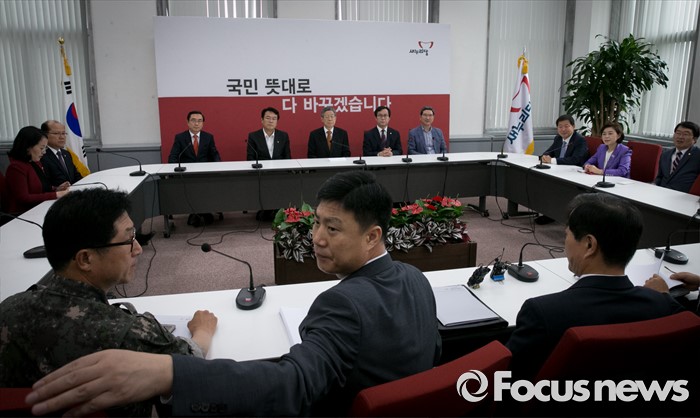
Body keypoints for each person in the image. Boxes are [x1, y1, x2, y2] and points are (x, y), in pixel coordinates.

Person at [26, 171, 442, 417]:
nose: (316, 237)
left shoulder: (341, 304)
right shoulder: (416, 278)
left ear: (372, 236)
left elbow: (294, 383)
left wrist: (171, 373)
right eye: (316, 222)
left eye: (332, 229)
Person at [0, 188, 217, 417]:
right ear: (85, 259)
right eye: (128, 240)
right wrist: (203, 331)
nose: (138, 249)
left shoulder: (8, 308)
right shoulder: (126, 333)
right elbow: (187, 367)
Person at [506, 193, 685, 380]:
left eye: (567, 235)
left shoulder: (542, 313)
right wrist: (664, 296)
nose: (565, 243)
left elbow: (505, 377)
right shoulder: (662, 305)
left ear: (589, 245)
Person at [167, 111, 222, 227]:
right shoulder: (180, 138)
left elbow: (215, 155)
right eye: (193, 120)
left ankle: (203, 211)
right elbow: (173, 157)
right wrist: (176, 169)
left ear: (203, 123)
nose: (196, 123)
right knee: (193, 188)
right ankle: (196, 213)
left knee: (207, 186)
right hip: (187, 175)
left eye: (199, 121)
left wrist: (217, 165)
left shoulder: (208, 137)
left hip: (204, 174)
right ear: (187, 122)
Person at [535, 115, 589, 224]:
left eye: (566, 126)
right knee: (542, 181)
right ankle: (549, 213)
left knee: (554, 186)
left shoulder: (580, 140)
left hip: (575, 174)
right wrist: (544, 157)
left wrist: (552, 160)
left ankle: (554, 214)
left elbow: (576, 159)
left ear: (573, 126)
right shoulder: (558, 138)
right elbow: (549, 152)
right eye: (560, 127)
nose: (563, 129)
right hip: (559, 171)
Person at [4, 126, 69, 214]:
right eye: (41, 148)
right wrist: (56, 195)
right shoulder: (16, 168)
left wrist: (56, 189)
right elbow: (24, 198)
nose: (44, 152)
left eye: (45, 148)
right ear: (28, 147)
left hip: (39, 208)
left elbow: (40, 189)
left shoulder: (34, 163)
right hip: (24, 214)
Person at [655, 121, 700, 193]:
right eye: (678, 133)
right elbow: (659, 177)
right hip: (661, 193)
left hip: (684, 196)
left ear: (694, 139)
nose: (680, 137)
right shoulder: (665, 154)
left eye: (685, 134)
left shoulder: (697, 156)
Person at [40, 120, 83, 187]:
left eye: (63, 133)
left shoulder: (66, 154)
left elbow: (76, 176)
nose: (62, 137)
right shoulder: (41, 155)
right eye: (56, 133)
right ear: (45, 135)